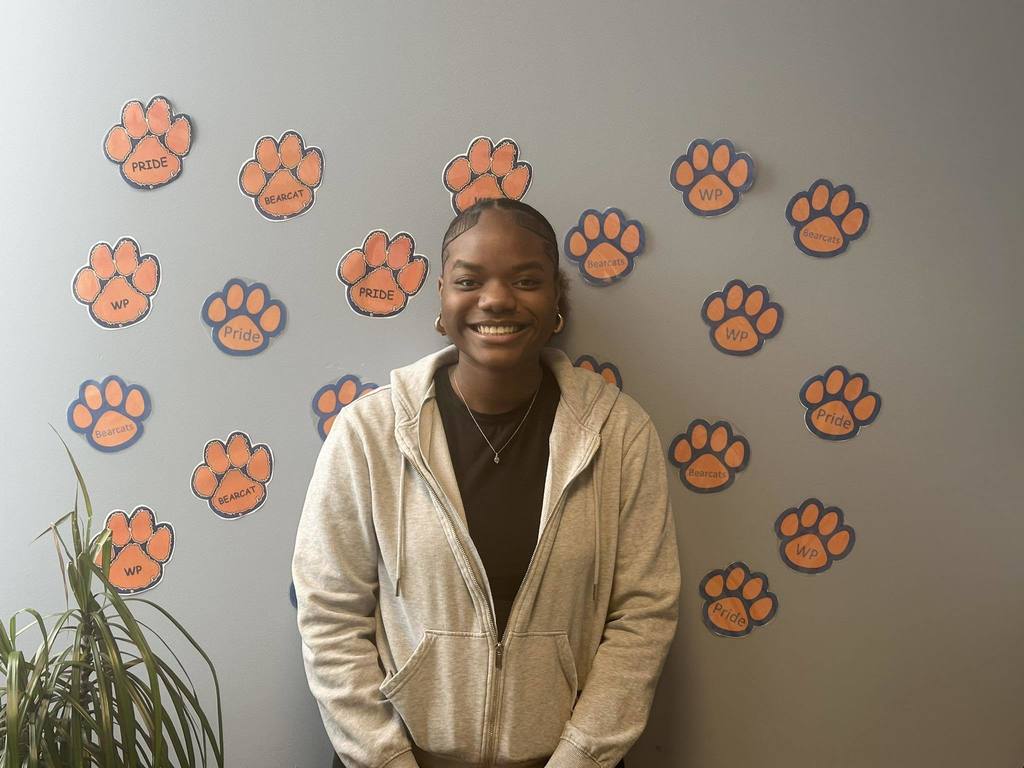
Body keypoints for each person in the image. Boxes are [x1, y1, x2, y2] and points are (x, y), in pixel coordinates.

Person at [292, 198, 681, 768]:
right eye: (469, 280)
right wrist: (385, 760)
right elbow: (329, 613)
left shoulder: (618, 434)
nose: (497, 299)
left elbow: (643, 616)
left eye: (526, 280)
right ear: (442, 302)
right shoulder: (369, 433)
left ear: (556, 306)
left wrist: (580, 758)